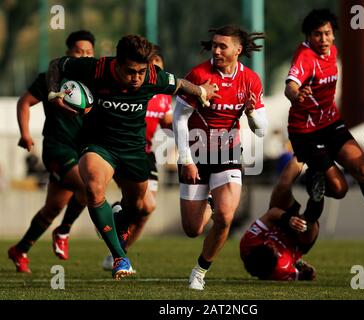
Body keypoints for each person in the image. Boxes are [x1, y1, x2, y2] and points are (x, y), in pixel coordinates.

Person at [46, 34, 220, 280]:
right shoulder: (95, 68)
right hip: (97, 144)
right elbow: (56, 64)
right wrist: (54, 94)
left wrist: (202, 91)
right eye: (130, 71)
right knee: (94, 188)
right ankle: (119, 257)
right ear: (116, 62)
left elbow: (180, 83)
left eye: (141, 71)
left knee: (139, 207)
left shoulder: (153, 76)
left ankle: (119, 218)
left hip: (133, 149)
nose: (137, 78)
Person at [269, 9, 364, 237]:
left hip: (331, 124)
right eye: (317, 34)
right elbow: (290, 85)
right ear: (308, 37)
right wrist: (297, 95)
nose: (324, 39)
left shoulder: (332, 51)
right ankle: (311, 185)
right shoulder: (305, 57)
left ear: (334, 34)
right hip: (306, 132)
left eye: (327, 33)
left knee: (363, 168)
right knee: (339, 188)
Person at [173, 25, 268, 290]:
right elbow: (178, 118)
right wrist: (187, 159)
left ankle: (200, 272)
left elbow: (261, 129)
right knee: (193, 229)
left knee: (226, 217)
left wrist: (250, 114)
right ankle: (211, 202)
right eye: (214, 45)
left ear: (238, 50)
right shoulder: (199, 74)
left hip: (227, 150)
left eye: (222, 46)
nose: (216, 50)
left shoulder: (250, 79)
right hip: (197, 151)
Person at [8, 30, 95, 273]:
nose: (83, 56)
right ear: (68, 53)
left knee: (53, 208)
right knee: (89, 187)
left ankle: (20, 249)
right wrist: (25, 133)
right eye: (79, 51)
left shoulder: (96, 82)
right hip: (57, 149)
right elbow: (24, 102)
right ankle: (64, 230)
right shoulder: (52, 78)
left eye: (88, 52)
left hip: (82, 151)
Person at [101, 47, 173, 271]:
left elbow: (167, 122)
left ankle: (119, 251)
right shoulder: (130, 90)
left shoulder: (162, 97)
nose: (157, 75)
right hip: (123, 150)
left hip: (146, 153)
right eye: (154, 69)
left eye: (160, 69)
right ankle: (117, 232)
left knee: (146, 210)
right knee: (144, 204)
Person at [240, 198, 322, 281]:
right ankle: (318, 193)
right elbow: (311, 275)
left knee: (282, 188)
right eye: (274, 249)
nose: (272, 245)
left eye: (268, 245)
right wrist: (307, 270)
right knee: (309, 220)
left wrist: (289, 219)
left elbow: (271, 213)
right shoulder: (281, 271)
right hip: (299, 241)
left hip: (282, 223)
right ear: (274, 266)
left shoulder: (249, 242)